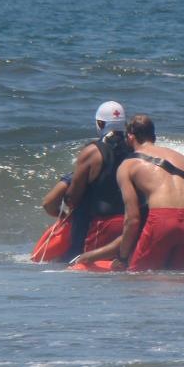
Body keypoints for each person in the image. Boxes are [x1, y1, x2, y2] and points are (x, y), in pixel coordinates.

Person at [97, 114, 184, 271]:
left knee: (139, 277)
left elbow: (132, 220)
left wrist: (123, 257)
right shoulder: (181, 158)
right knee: (182, 281)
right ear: (154, 136)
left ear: (130, 137)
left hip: (162, 220)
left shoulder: (128, 165)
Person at [57, 100, 131, 260]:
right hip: (129, 225)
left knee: (79, 264)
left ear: (100, 123)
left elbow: (73, 197)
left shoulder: (92, 151)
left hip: (101, 225)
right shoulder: (134, 149)